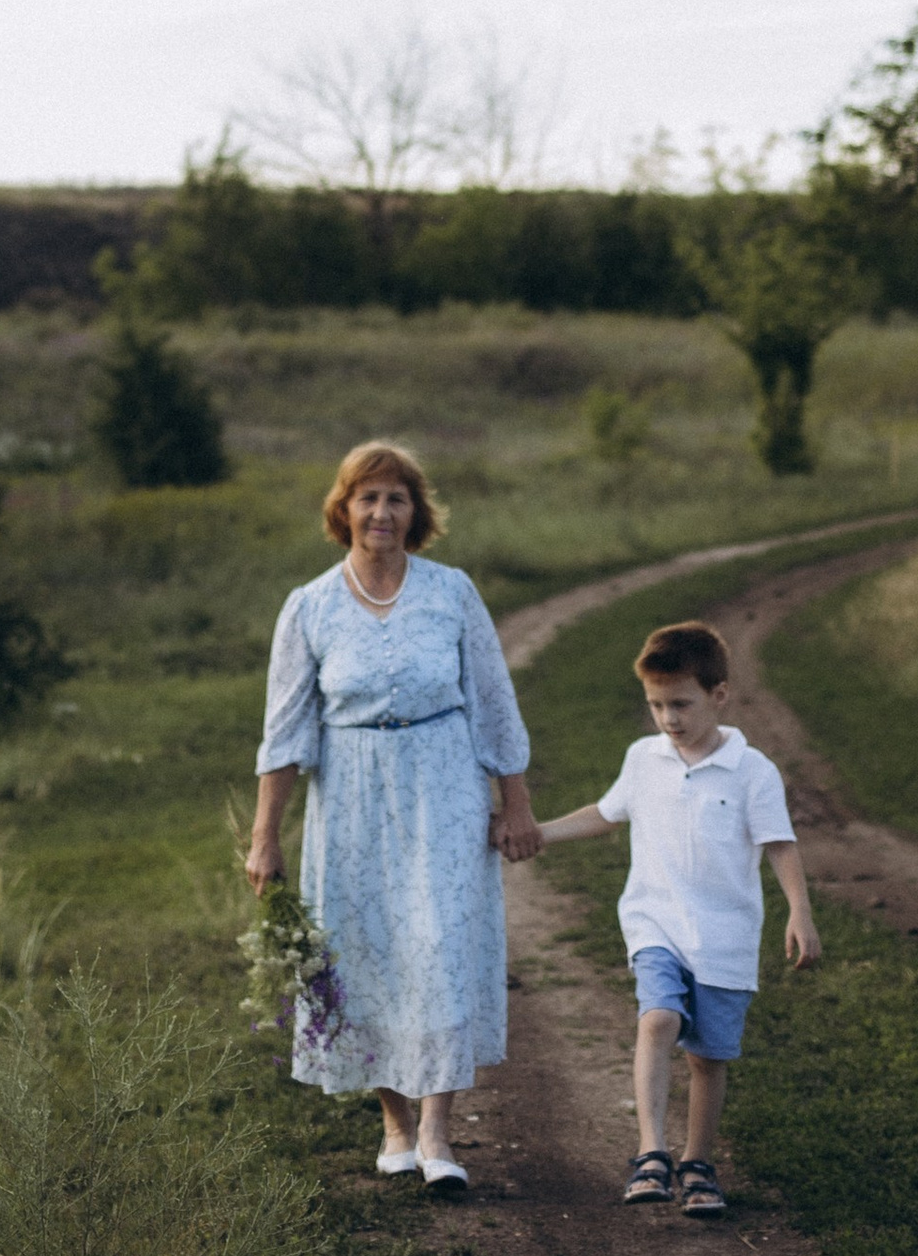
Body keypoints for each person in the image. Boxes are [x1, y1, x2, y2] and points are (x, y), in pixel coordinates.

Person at [246, 439, 541, 1195]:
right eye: (367, 498)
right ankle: (395, 1125)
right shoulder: (308, 606)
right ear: (342, 510)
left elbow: (494, 703)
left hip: (442, 779)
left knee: (438, 942)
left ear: (417, 514)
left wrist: (515, 803)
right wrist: (264, 837)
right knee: (365, 949)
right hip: (349, 796)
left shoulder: (452, 593)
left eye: (397, 499)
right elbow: (284, 734)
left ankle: (439, 1129)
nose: (381, 512)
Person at [528, 617, 819, 1216]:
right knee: (657, 1018)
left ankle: (698, 1164)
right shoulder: (644, 759)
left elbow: (779, 844)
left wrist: (800, 912)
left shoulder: (752, 771)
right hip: (655, 921)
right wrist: (539, 834)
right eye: (657, 705)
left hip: (724, 935)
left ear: (718, 695)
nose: (669, 719)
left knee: (708, 1058)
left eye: (681, 704)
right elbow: (608, 813)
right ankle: (650, 1153)